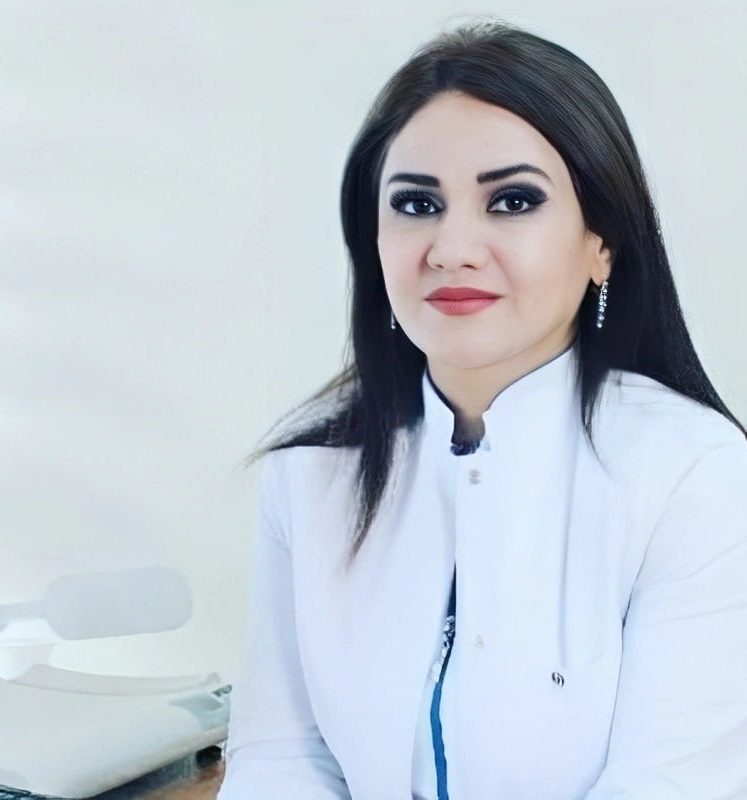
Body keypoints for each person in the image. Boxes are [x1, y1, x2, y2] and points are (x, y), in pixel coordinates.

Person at [217, 17, 747, 800]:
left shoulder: (694, 475)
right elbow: (281, 760)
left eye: (512, 200)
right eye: (416, 204)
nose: (453, 248)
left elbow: (669, 785)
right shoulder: (308, 475)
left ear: (601, 243)